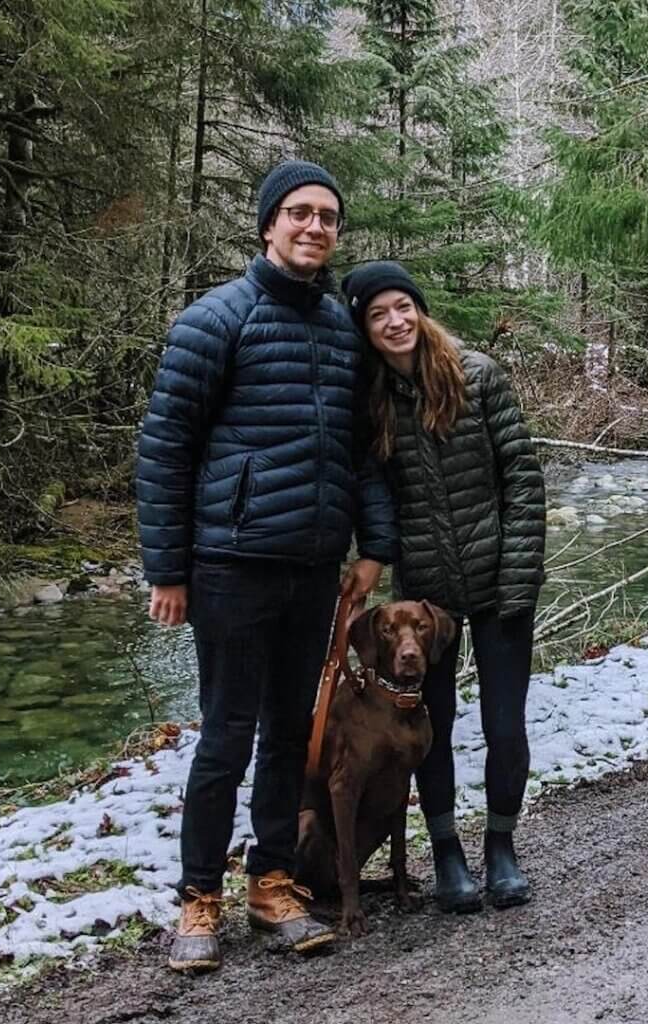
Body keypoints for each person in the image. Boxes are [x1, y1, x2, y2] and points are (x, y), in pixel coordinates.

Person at [136, 161, 396, 972]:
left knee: (292, 734)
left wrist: (372, 549)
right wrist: (167, 570)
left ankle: (273, 883)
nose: (314, 227)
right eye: (299, 214)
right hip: (231, 564)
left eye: (327, 216)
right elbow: (165, 449)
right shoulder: (217, 319)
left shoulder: (336, 330)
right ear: (267, 226)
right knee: (226, 735)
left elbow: (361, 455)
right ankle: (198, 898)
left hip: (316, 567)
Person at [340, 261, 546, 911]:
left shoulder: (477, 375)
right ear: (367, 332)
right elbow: (373, 496)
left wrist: (518, 573)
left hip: (499, 585)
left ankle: (501, 848)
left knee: (505, 726)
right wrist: (378, 566)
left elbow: (522, 476)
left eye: (403, 307)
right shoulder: (373, 402)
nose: (395, 322)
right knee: (429, 731)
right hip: (426, 600)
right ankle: (448, 854)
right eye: (378, 315)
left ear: (420, 310)